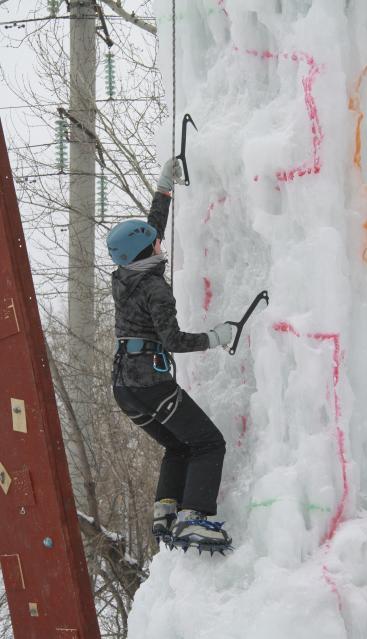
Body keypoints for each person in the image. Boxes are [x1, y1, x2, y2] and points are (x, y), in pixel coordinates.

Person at [107, 159, 233, 554]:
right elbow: (174, 340)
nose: (161, 244)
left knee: (179, 445)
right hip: (150, 382)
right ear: (147, 251)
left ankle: (166, 511)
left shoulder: (125, 273)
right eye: (156, 243)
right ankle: (195, 517)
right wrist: (216, 337)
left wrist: (164, 189)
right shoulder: (154, 290)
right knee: (209, 442)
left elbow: (148, 234)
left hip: (124, 387)